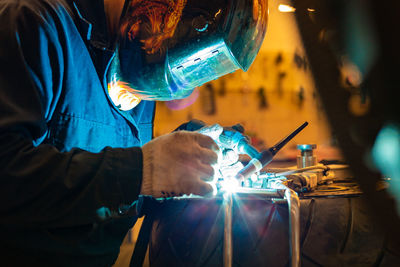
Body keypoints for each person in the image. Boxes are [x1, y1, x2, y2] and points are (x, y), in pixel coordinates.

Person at [0, 0, 267, 265]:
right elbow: (8, 175)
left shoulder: (138, 67)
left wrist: (186, 154)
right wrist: (142, 169)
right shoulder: (35, 23)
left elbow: (117, 186)